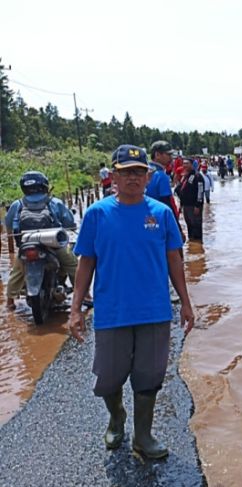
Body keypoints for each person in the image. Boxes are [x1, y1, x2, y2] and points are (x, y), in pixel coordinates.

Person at [68, 144, 194, 459]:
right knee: (109, 376)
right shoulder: (98, 214)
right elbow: (86, 262)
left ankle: (143, 435)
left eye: (139, 172)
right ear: (114, 176)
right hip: (112, 311)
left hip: (154, 310)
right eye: (126, 172)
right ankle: (116, 417)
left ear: (149, 176)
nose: (134, 178)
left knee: (149, 375)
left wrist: (186, 302)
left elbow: (174, 261)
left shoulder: (161, 214)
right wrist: (75, 309)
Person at [4, 171, 88, 310]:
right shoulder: (54, 202)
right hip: (54, 244)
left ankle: (9, 301)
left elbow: (8, 223)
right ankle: (85, 295)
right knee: (73, 264)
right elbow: (69, 222)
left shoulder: (17, 204)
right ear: (44, 185)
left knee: (17, 270)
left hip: (27, 244)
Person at [146, 140, 185, 243]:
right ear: (157, 155)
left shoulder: (144, 172)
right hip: (158, 221)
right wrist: (178, 229)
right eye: (168, 155)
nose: (171, 158)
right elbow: (168, 204)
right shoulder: (161, 176)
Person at [175, 158, 205, 242]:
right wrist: (180, 205)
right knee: (189, 226)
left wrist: (198, 205)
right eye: (183, 163)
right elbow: (181, 190)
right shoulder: (185, 176)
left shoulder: (197, 176)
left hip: (194, 206)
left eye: (187, 163)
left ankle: (198, 245)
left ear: (192, 165)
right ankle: (192, 245)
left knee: (196, 226)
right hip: (186, 205)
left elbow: (200, 191)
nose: (184, 165)